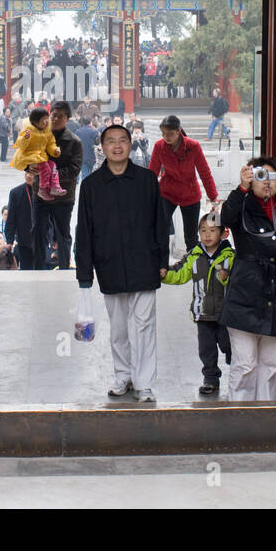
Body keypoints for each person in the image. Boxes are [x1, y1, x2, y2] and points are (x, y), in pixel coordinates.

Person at [75, 123, 167, 402]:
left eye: (123, 140)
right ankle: (122, 375)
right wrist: (84, 272)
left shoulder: (147, 180)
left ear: (131, 144)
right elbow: (84, 230)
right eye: (111, 141)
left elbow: (160, 223)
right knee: (118, 328)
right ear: (101, 148)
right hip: (109, 263)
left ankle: (145, 382)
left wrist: (162, 259)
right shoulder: (91, 185)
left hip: (144, 262)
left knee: (144, 325)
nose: (117, 146)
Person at [218, 157, 276, 402]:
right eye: (261, 176)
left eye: (272, 177)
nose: (267, 182)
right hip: (245, 295)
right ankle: (240, 419)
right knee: (245, 365)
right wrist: (241, 188)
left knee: (270, 364)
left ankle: (265, 416)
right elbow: (225, 218)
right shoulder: (242, 207)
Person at [161, 214, 235, 395]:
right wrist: (163, 275)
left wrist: (227, 278)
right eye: (203, 231)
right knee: (206, 350)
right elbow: (179, 273)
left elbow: (238, 282)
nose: (207, 235)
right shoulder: (194, 255)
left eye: (212, 230)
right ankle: (211, 379)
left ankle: (238, 371)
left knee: (229, 345)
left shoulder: (230, 257)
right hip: (203, 314)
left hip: (226, 315)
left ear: (222, 234)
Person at [149, 115, 219, 257]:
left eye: (170, 134)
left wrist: (213, 198)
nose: (166, 137)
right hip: (167, 192)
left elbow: (205, 173)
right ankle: (161, 265)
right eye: (163, 134)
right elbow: (151, 174)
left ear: (179, 130)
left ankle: (193, 267)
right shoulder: (159, 146)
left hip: (190, 194)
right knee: (161, 229)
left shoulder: (193, 146)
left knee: (191, 236)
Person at [33, 101, 83, 270]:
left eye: (60, 116)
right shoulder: (39, 137)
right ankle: (38, 268)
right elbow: (28, 158)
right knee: (38, 231)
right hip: (40, 194)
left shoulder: (74, 142)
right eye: (53, 115)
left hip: (63, 195)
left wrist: (50, 175)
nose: (55, 118)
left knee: (63, 233)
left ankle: (64, 267)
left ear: (67, 119)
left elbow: (74, 170)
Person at [10, 106, 67, 201]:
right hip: (28, 156)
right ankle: (43, 189)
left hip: (40, 157)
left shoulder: (48, 131)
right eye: (44, 120)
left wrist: (55, 150)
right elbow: (21, 145)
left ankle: (55, 186)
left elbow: (50, 143)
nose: (47, 122)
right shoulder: (28, 130)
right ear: (36, 122)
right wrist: (26, 138)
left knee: (52, 165)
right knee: (45, 167)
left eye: (47, 119)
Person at [5, 169, 38, 271]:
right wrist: (9, 240)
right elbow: (11, 218)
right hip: (24, 239)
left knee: (41, 270)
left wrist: (53, 237)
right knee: (26, 270)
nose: (28, 176)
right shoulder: (16, 193)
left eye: (31, 173)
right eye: (27, 173)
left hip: (41, 239)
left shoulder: (44, 190)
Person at [75, 116, 99, 182]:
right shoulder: (94, 131)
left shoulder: (78, 131)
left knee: (85, 174)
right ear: (91, 122)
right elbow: (97, 143)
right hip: (92, 156)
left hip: (81, 155)